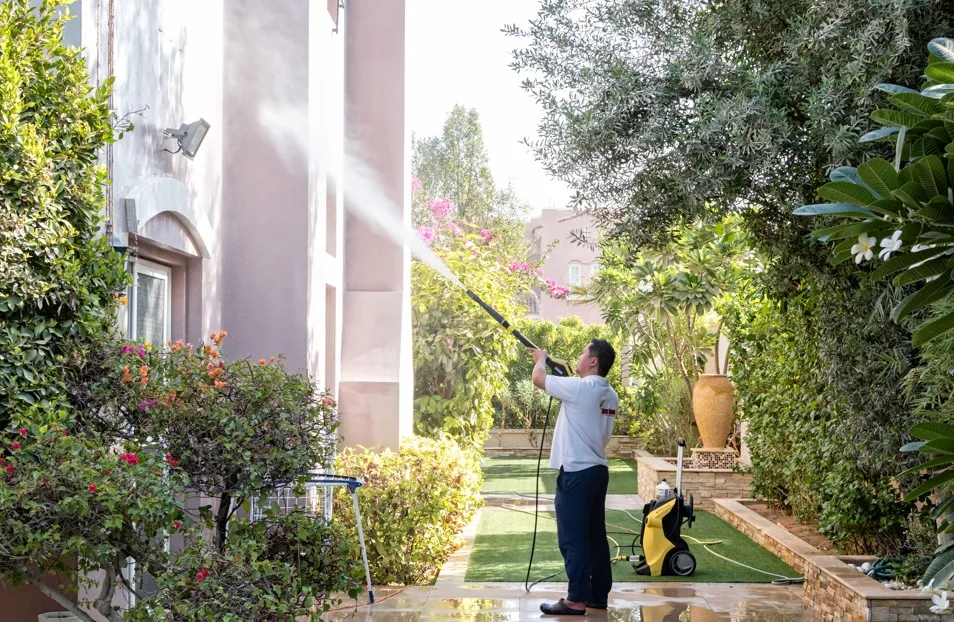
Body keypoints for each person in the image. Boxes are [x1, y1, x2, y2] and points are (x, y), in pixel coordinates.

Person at [531, 339, 619, 616]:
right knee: (594, 536)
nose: (579, 356)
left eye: (583, 353)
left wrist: (540, 358)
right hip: (597, 470)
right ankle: (596, 595)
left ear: (594, 361)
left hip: (577, 473)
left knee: (573, 538)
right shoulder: (609, 393)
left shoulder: (581, 389)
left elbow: (538, 379)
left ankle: (576, 600)